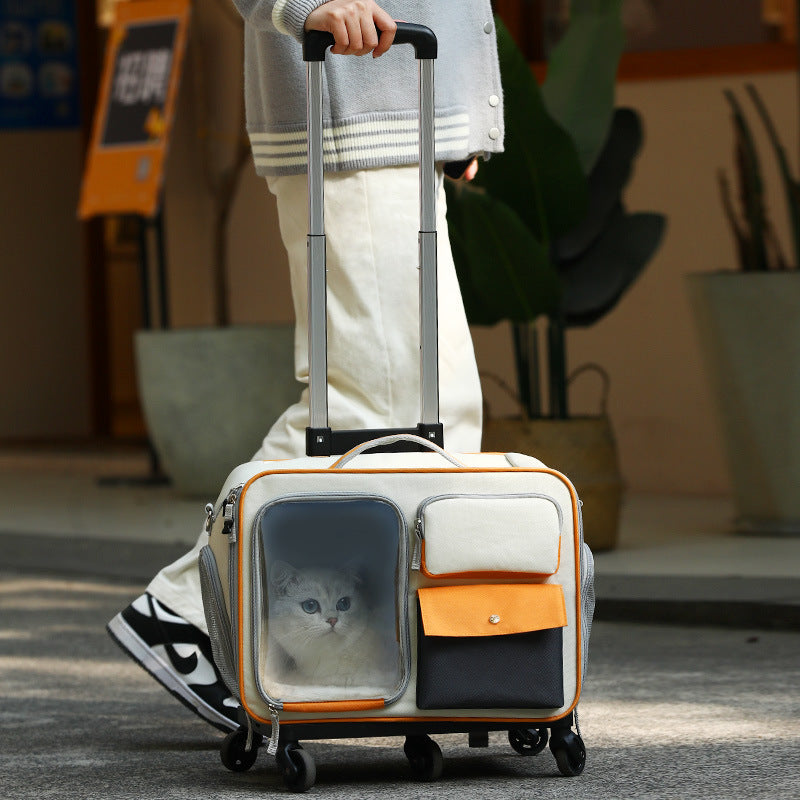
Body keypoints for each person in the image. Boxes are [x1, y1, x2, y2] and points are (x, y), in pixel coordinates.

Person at [106, 0, 504, 733]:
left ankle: (387, 663)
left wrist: (453, 117)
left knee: (436, 417)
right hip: (349, 114)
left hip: (398, 111)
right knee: (366, 413)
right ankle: (189, 609)